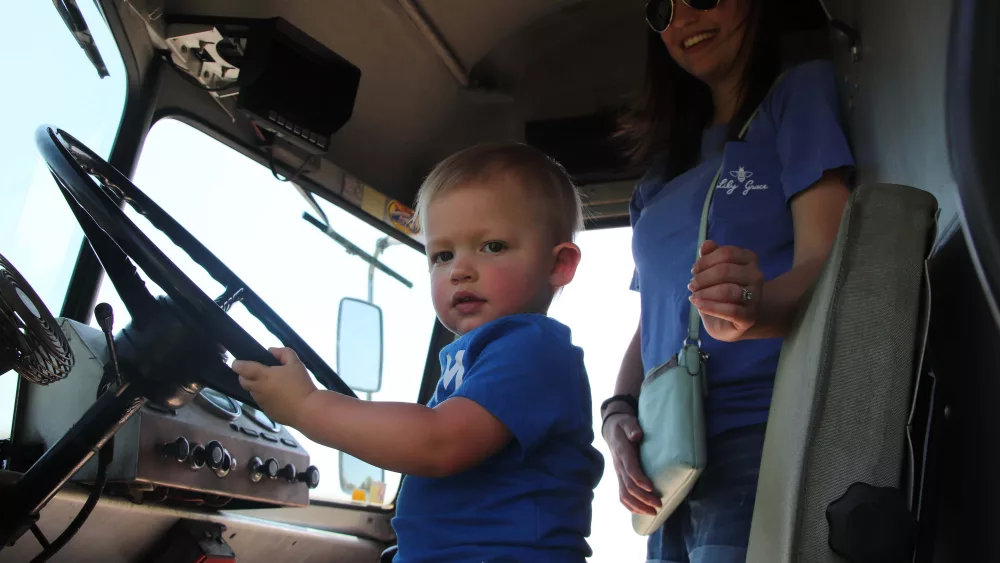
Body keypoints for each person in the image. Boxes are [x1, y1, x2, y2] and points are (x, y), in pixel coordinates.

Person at [234, 142, 605, 563]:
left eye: (493, 246)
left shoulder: (533, 349)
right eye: (442, 255)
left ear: (558, 265)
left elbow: (437, 442)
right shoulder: (475, 358)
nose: (459, 269)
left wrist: (306, 407)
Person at [599, 0, 855, 561]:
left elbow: (831, 268)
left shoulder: (798, 98)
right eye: (662, 8)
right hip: (668, 461)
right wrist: (617, 414)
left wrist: (751, 311)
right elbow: (653, 325)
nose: (683, 18)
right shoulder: (658, 177)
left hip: (762, 434)